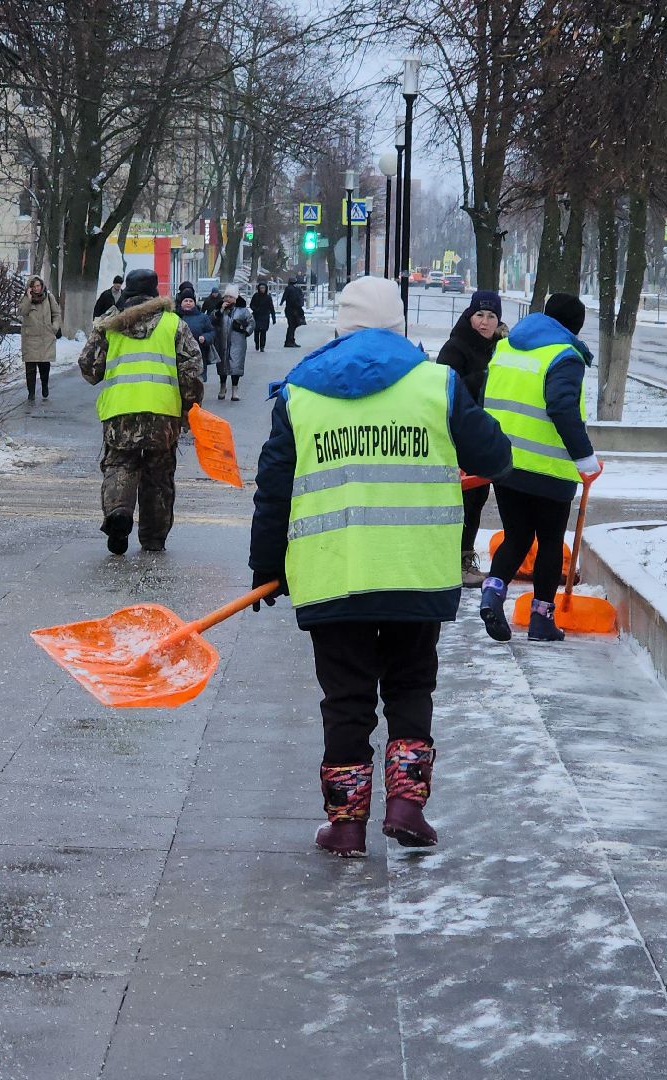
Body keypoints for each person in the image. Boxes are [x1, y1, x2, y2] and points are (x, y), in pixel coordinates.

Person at [250, 277, 516, 858]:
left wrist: (265, 567)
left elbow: (274, 491)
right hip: (414, 571)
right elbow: (495, 456)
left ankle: (346, 825)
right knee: (410, 685)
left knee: (344, 698)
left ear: (339, 326)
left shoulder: (299, 392)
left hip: (333, 575)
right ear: (399, 325)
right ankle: (406, 807)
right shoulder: (435, 384)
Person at [477, 293, 599, 643]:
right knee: (548, 542)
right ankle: (542, 620)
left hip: (506, 463)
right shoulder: (565, 355)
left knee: (516, 536)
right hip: (548, 468)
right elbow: (562, 408)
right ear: (575, 326)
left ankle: (492, 592)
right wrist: (584, 458)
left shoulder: (507, 347)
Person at [77, 268, 204, 554]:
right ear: (156, 293)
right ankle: (153, 537)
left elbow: (88, 367)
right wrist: (190, 407)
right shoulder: (174, 324)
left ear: (128, 293)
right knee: (158, 474)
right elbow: (192, 370)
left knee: (120, 465)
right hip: (163, 414)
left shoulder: (110, 325)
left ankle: (119, 513)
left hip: (120, 412)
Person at [435, 290, 504, 587]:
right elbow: (443, 389)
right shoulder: (456, 347)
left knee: (477, 498)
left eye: (491, 316)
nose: (484, 322)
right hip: (458, 437)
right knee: (462, 499)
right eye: (479, 315)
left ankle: (464, 557)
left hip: (486, 434)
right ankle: (455, 560)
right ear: (469, 316)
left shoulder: (503, 349)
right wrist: (484, 377)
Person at [19, 276, 62, 402]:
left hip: (45, 336)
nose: (37, 288)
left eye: (38, 286)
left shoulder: (49, 297)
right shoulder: (25, 299)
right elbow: (22, 312)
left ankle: (44, 386)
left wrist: (54, 327)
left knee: (44, 364)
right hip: (30, 337)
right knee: (30, 367)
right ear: (30, 288)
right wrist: (29, 298)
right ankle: (31, 393)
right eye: (34, 286)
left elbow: (56, 314)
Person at [177, 293, 218, 381]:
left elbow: (211, 332)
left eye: (191, 301)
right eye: (186, 301)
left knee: (197, 383)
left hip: (198, 356)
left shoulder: (202, 317)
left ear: (194, 304)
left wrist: (205, 337)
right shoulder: (175, 317)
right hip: (179, 355)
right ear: (181, 303)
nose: (188, 303)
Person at [219, 293, 253, 400]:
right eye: (226, 297)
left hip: (238, 342)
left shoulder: (243, 311)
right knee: (222, 365)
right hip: (222, 341)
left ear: (235, 299)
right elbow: (211, 321)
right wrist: (220, 311)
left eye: (231, 297)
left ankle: (234, 390)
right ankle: (222, 387)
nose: (228, 299)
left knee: (236, 365)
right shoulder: (219, 310)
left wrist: (245, 331)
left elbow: (251, 322)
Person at [281, 280, 307, 348]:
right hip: (294, 310)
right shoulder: (296, 289)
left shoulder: (288, 289)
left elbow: (284, 297)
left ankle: (289, 341)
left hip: (289, 310)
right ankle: (290, 341)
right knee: (292, 326)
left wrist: (281, 302)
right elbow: (297, 301)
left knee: (291, 326)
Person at [250, 282, 275, 352]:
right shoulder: (255, 296)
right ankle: (257, 343)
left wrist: (273, 317)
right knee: (256, 331)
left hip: (265, 316)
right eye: (261, 288)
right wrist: (255, 309)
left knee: (263, 332)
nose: (262, 289)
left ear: (266, 288)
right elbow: (251, 304)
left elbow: (271, 307)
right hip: (257, 316)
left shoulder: (268, 297)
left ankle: (262, 346)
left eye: (263, 288)